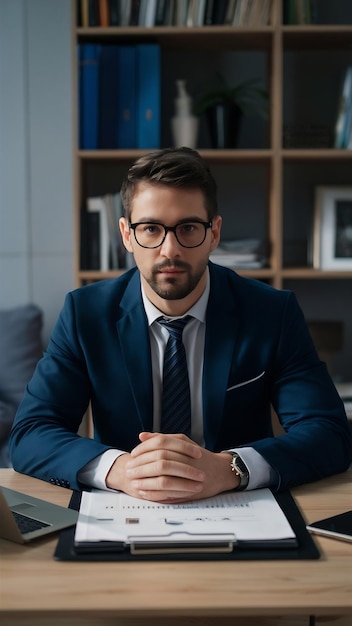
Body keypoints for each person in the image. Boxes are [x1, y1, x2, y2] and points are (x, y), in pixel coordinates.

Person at [9, 148, 352, 502]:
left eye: (188, 228)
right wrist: (120, 469)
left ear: (214, 233)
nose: (169, 249)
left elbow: (329, 434)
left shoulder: (271, 312)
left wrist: (233, 468)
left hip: (239, 505)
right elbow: (31, 433)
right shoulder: (86, 314)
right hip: (124, 507)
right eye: (151, 229)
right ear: (127, 235)